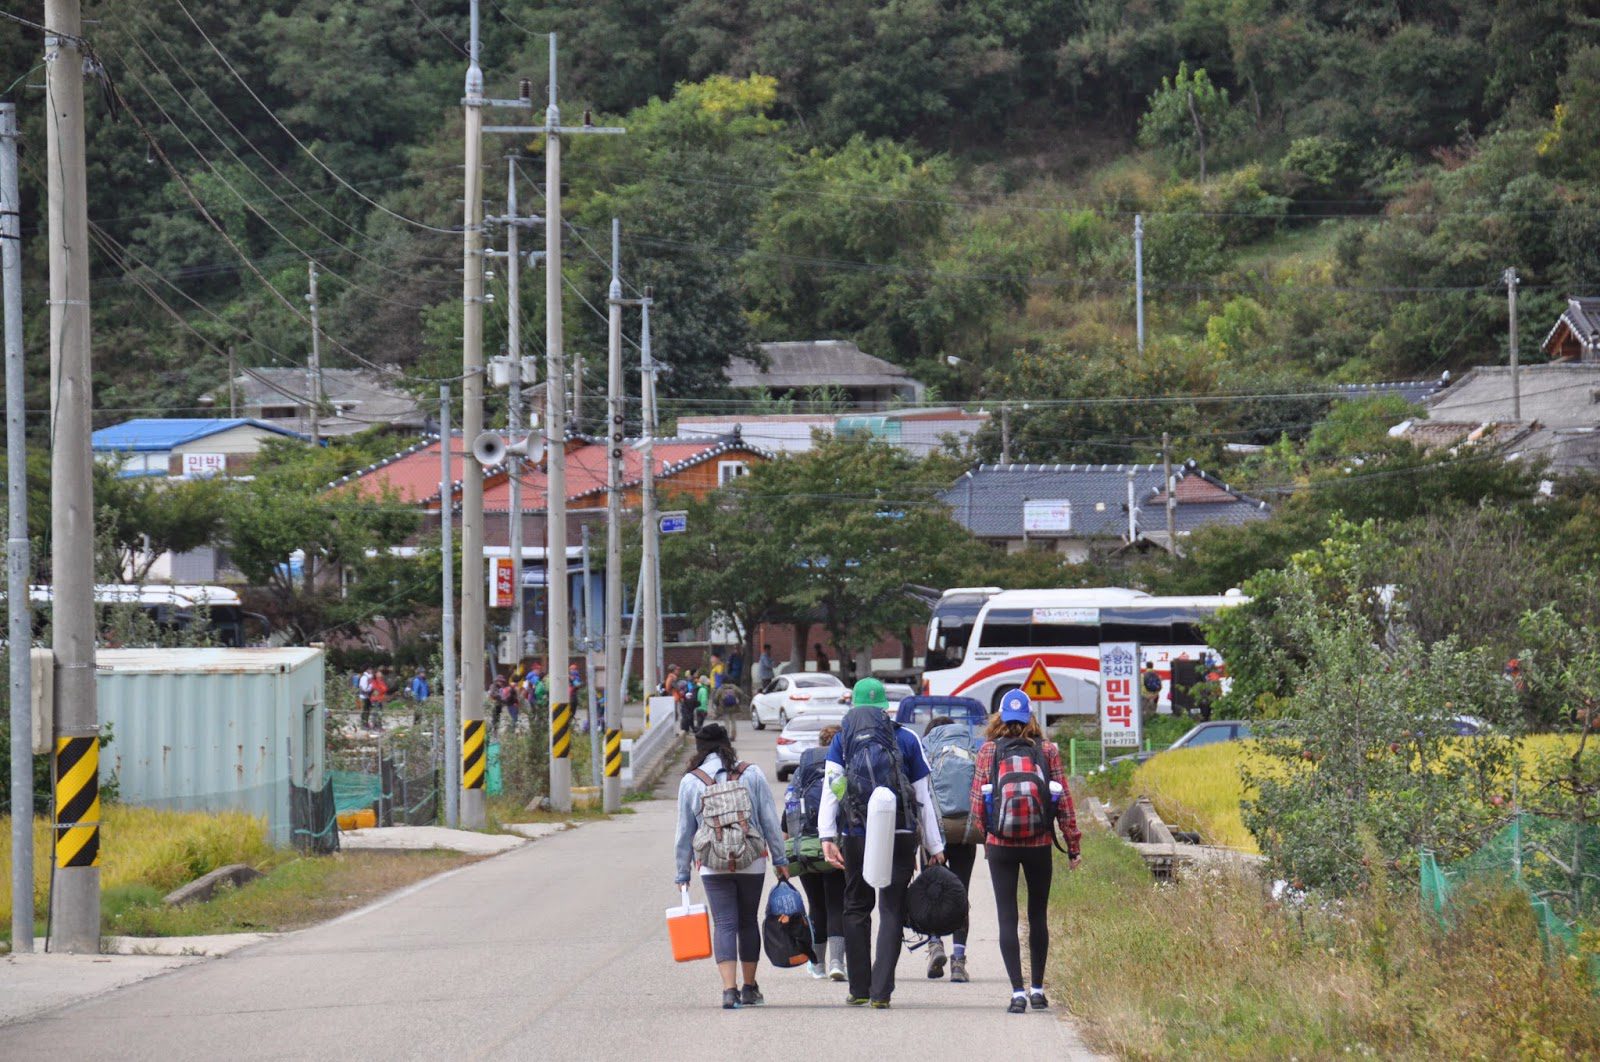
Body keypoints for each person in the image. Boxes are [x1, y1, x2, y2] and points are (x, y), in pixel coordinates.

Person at [819, 677, 945, 1008]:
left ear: (855, 706)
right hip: (900, 834)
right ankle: (881, 992)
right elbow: (923, 797)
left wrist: (827, 836)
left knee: (856, 905)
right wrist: (935, 845)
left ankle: (859, 989)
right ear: (885, 707)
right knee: (892, 908)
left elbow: (832, 789)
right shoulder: (907, 738)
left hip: (857, 835)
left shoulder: (842, 740)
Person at [970, 693, 1081, 1014]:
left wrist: (991, 833)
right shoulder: (1047, 751)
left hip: (1001, 846)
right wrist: (1073, 847)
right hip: (1039, 844)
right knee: (1036, 916)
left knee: (1007, 917)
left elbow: (978, 805)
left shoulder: (988, 751)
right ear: (1031, 717)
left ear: (1000, 717)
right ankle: (1037, 989)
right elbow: (1065, 805)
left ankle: (1017, 992)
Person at [672, 723, 789, 1009]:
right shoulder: (751, 773)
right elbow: (770, 821)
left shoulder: (691, 780)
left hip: (712, 861)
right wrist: (780, 858)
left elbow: (684, 830)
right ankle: (749, 988)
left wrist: (683, 871)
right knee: (748, 921)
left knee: (724, 922)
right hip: (752, 858)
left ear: (699, 749)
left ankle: (728, 991)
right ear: (728, 744)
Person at [921, 714, 982, 983]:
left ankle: (935, 944)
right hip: (966, 830)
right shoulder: (970, 749)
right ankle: (959, 960)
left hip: (935, 832)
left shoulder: (925, 750)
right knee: (961, 893)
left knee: (933, 892)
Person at [785, 723, 846, 981]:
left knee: (816, 904)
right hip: (836, 845)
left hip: (806, 847)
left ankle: (817, 964)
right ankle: (837, 963)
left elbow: (788, 815)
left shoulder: (803, 771)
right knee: (837, 904)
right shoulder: (844, 767)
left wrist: (786, 851)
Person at [364, 667, 390, 731]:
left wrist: (382, 691)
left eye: (380, 673)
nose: (381, 674)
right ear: (376, 674)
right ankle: (375, 726)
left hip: (380, 699)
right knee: (376, 713)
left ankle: (379, 726)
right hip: (376, 700)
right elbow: (378, 690)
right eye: (379, 673)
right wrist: (382, 690)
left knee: (379, 713)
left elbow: (385, 689)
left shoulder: (381, 681)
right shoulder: (374, 681)